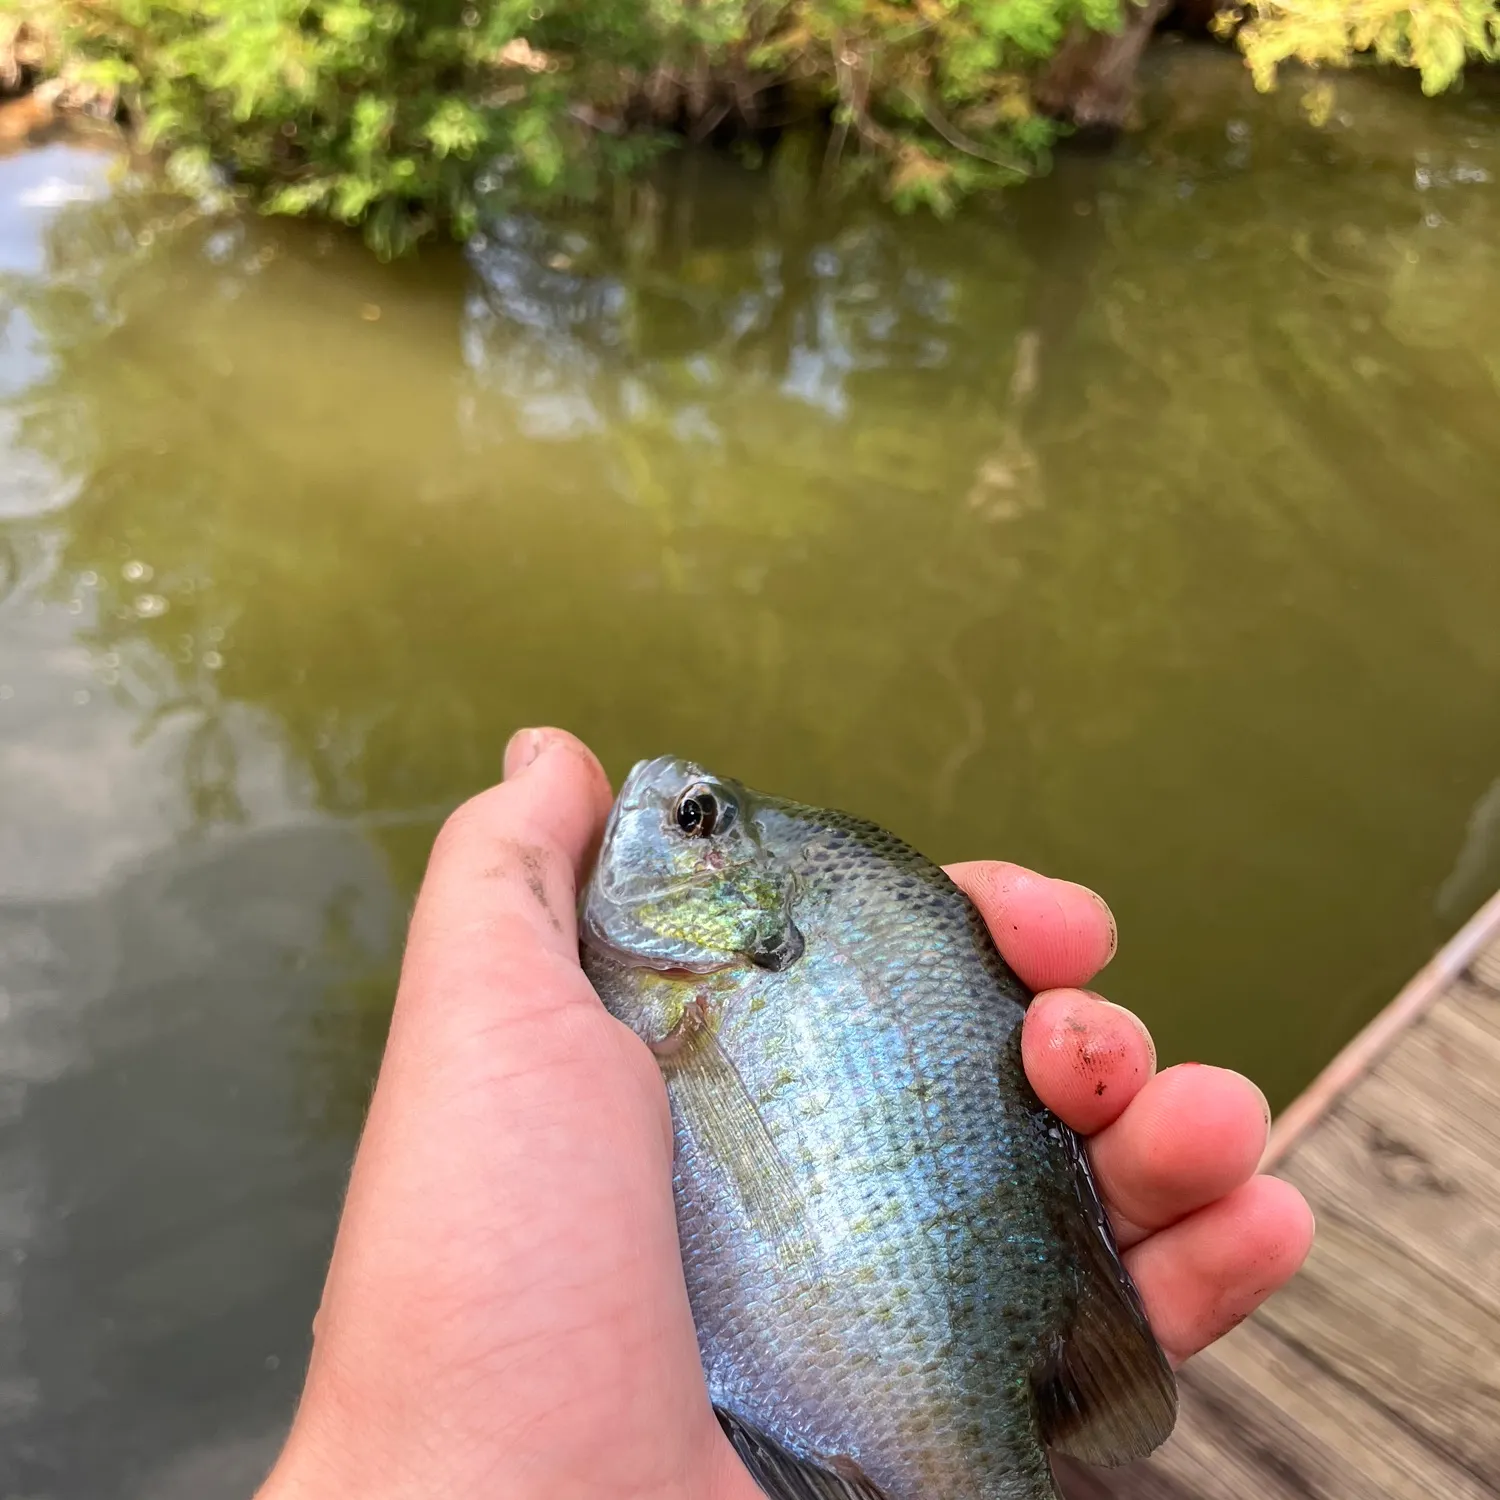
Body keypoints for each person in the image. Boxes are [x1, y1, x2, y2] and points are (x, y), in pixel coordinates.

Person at [257, 729, 1315, 1500]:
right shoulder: (660, 1002)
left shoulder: (695, 992)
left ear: (753, 914)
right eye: (694, 815)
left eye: (695, 821)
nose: (663, 811)